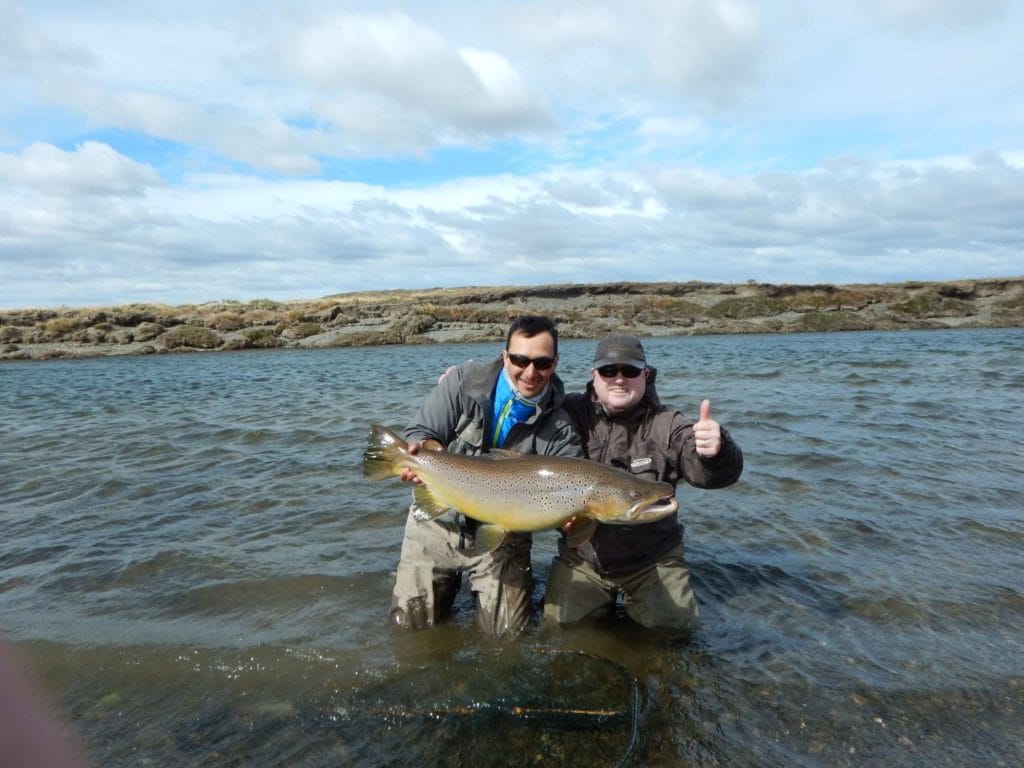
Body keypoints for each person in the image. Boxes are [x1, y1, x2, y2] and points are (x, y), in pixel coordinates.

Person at [390, 315, 582, 636]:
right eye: (520, 360)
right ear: (505, 356)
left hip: (505, 538)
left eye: (542, 362)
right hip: (438, 522)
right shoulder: (462, 382)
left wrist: (574, 521)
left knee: (505, 639)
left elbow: (573, 483)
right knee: (411, 630)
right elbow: (422, 430)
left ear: (556, 363)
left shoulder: (561, 427)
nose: (531, 372)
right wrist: (419, 449)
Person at [542, 334, 743, 635]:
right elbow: (526, 388)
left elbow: (710, 476)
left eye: (630, 371)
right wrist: (467, 386)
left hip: (653, 561)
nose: (619, 379)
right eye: (609, 371)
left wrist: (717, 450)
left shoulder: (669, 424)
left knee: (676, 634)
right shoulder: (568, 413)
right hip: (583, 557)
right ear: (593, 376)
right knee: (560, 630)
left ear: (646, 375)